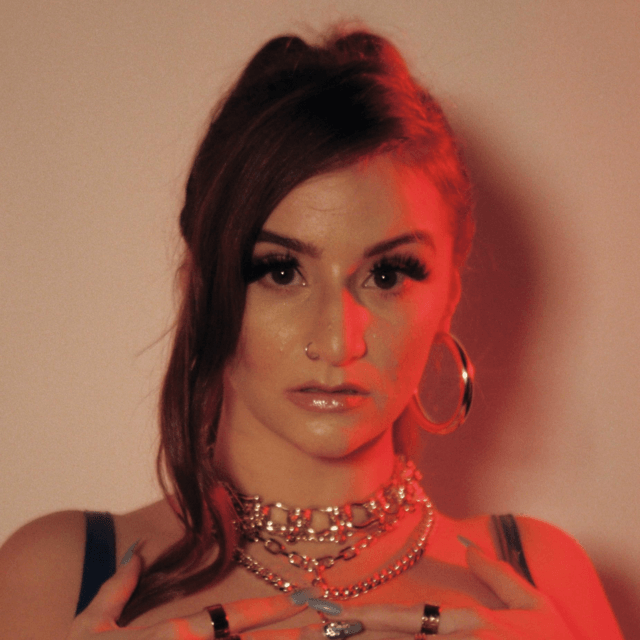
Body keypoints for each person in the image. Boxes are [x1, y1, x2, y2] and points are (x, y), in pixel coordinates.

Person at [0, 26, 623, 640]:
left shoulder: (542, 577)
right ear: (200, 286)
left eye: (388, 275)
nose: (337, 341)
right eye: (280, 271)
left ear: (449, 296)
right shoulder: (59, 576)